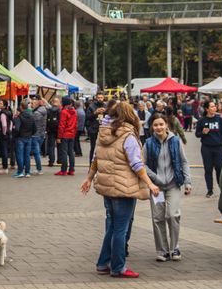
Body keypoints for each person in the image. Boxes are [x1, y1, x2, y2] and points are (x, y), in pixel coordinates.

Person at [81, 101, 160, 278]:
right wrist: (150, 183)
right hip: (124, 188)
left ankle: (103, 263)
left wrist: (88, 178)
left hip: (107, 187)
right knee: (120, 229)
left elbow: (96, 158)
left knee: (111, 226)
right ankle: (118, 267)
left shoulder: (103, 133)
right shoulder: (128, 136)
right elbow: (137, 164)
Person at [143, 116, 192, 262]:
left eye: (161, 124)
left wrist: (187, 181)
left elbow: (184, 162)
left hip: (173, 184)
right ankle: (162, 250)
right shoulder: (148, 143)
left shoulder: (175, 141)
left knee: (172, 215)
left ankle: (174, 247)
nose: (159, 127)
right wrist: (154, 178)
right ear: (152, 127)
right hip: (156, 187)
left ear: (166, 125)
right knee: (158, 218)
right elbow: (142, 164)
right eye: (155, 125)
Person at [194, 100, 222, 198]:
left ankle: (221, 188)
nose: (214, 108)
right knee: (208, 169)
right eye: (211, 107)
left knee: (219, 169)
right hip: (206, 148)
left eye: (214, 106)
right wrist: (203, 133)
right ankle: (209, 190)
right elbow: (197, 134)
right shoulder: (202, 121)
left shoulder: (219, 120)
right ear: (207, 109)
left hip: (219, 148)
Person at [12, 100, 37, 178]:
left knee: (20, 155)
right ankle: (28, 172)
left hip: (20, 138)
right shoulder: (31, 116)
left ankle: (20, 171)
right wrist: (30, 134)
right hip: (28, 137)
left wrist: (16, 136)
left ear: (21, 107)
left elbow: (17, 129)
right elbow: (35, 128)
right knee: (27, 155)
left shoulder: (19, 117)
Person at [56, 96, 78, 176]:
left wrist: (59, 137)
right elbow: (76, 124)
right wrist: (74, 133)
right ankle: (71, 170)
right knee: (71, 152)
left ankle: (63, 170)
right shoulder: (74, 112)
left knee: (64, 152)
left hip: (65, 134)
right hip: (72, 134)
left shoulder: (64, 112)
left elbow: (62, 125)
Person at [0, 100, 14, 173]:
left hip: (4, 134)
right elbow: (11, 122)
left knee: (4, 150)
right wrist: (9, 130)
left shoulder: (2, 114)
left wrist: (4, 132)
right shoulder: (9, 112)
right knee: (11, 149)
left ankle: (5, 167)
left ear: (4, 106)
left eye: (0, 103)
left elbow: (4, 125)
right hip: (9, 133)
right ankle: (12, 164)